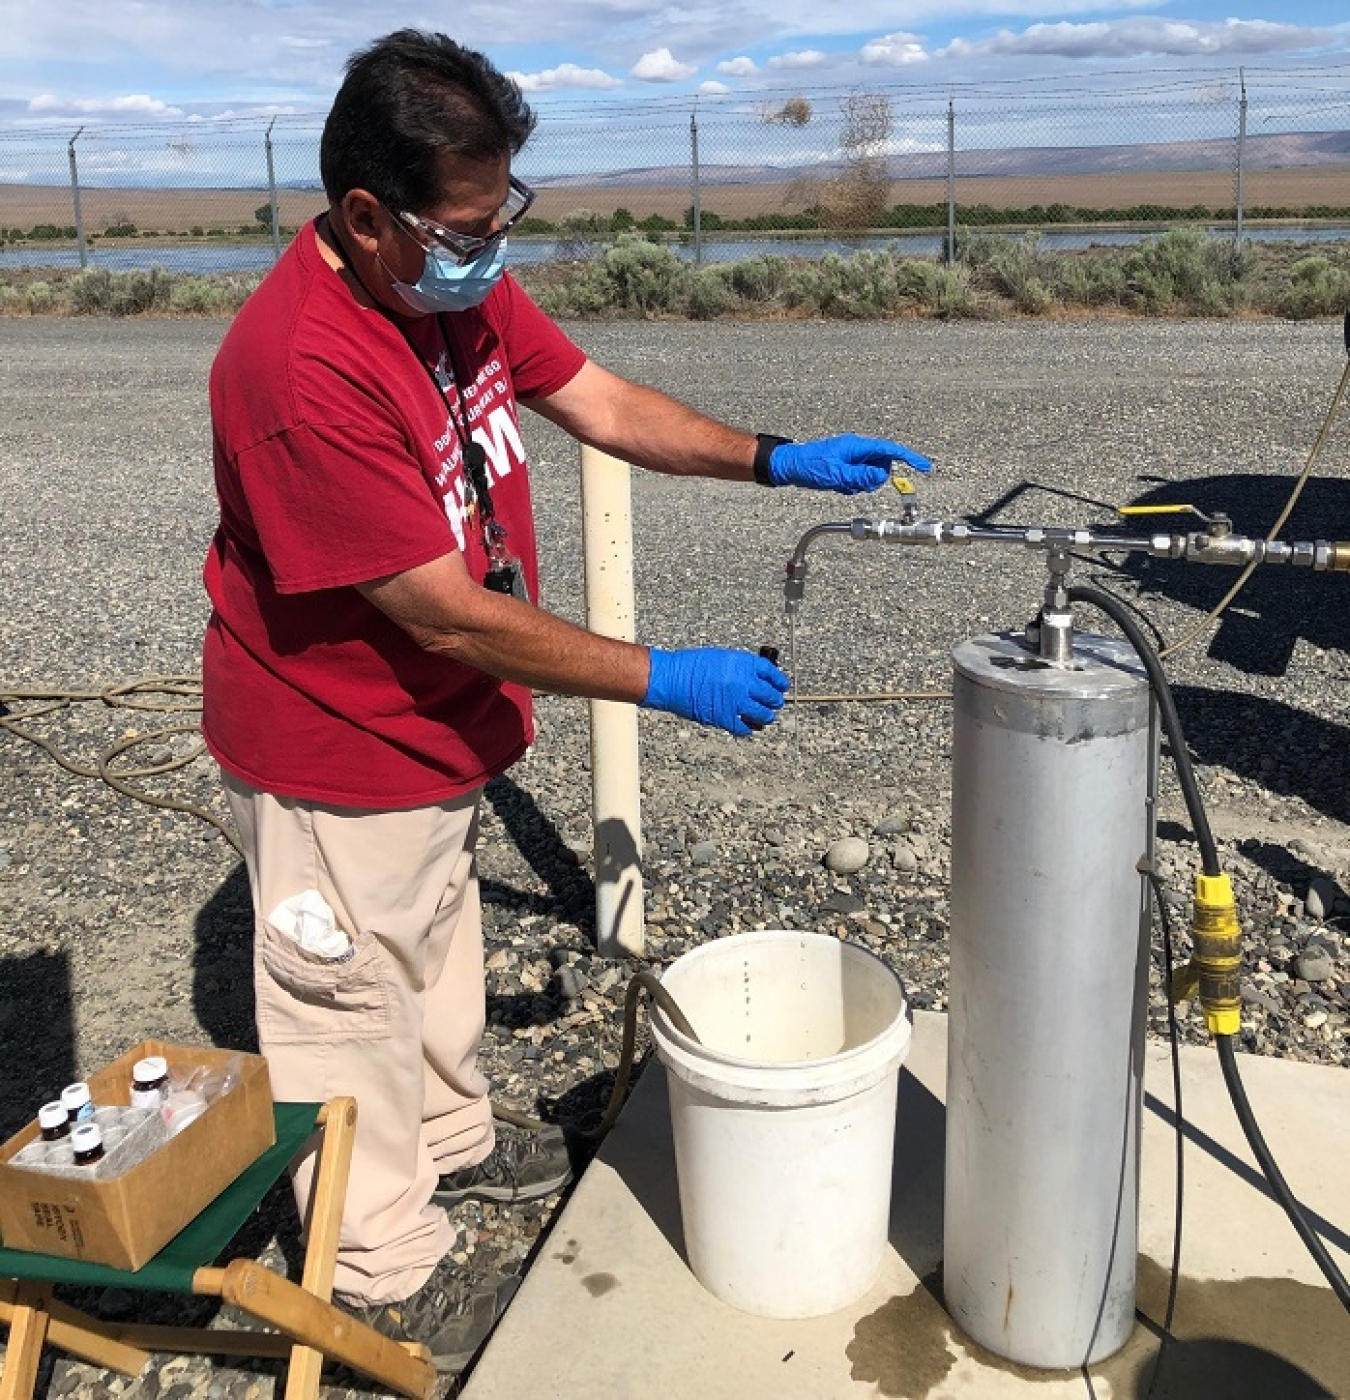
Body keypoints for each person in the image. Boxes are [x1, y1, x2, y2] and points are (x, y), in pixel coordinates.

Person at [202, 27, 931, 1373]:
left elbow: (591, 398)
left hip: (436, 735)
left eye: (502, 214)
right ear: (368, 218)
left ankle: (456, 1147)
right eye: (471, 222)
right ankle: (372, 1270)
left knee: (432, 954)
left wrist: (771, 459)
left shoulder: (444, 286)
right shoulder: (298, 372)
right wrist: (665, 676)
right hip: (334, 746)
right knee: (343, 1001)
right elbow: (440, 611)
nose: (492, 245)